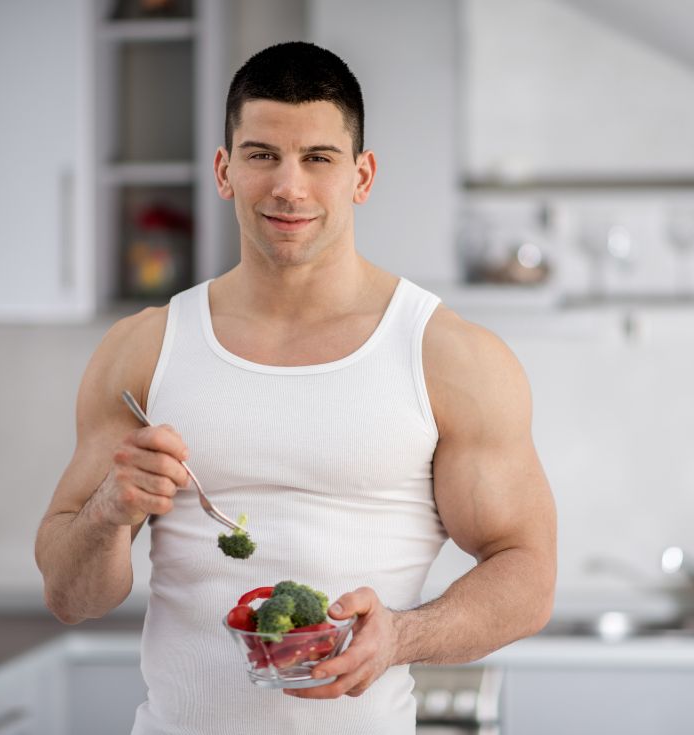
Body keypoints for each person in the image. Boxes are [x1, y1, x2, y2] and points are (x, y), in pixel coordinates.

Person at [35, 41, 556, 735]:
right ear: (224, 170)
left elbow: (528, 573)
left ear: (362, 175)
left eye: (318, 158)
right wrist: (107, 509)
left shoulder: (449, 357)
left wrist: (402, 635)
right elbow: (71, 596)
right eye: (261, 155)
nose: (289, 186)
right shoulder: (143, 349)